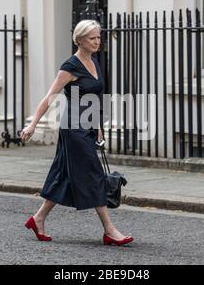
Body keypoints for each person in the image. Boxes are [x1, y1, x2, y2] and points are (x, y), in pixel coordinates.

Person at [20, 19, 133, 246]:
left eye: (99, 37)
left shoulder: (95, 62)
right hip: (74, 129)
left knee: (64, 175)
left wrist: (99, 126)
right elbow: (49, 97)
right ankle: (110, 230)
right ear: (79, 40)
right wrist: (33, 124)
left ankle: (38, 218)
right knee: (94, 174)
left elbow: (95, 99)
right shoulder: (70, 67)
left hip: (89, 127)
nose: (97, 41)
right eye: (92, 38)